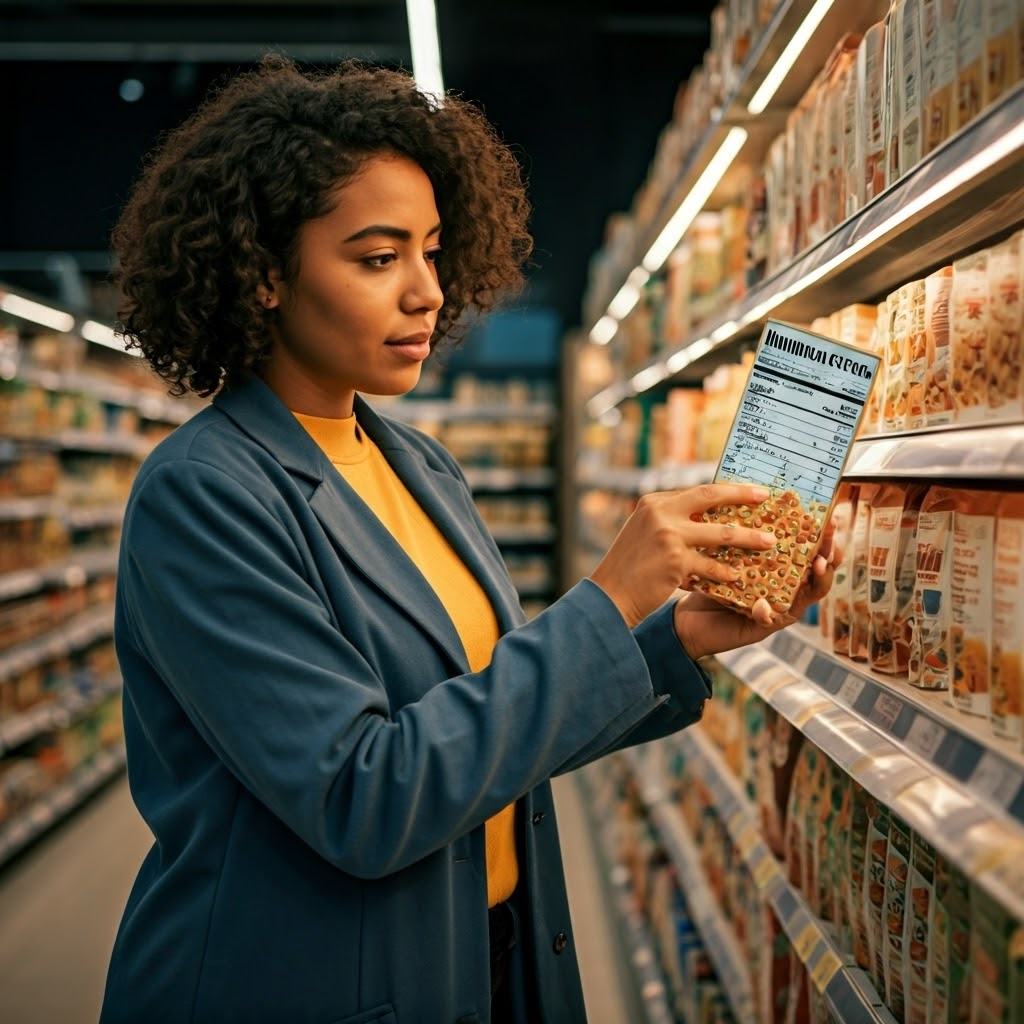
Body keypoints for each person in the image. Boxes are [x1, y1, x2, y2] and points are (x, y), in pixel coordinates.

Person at [99, 56, 837, 1024]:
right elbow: (363, 793)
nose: (425, 292)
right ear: (265, 275)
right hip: (301, 981)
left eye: (432, 251)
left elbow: (490, 726)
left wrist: (673, 638)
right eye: (376, 258)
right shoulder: (202, 494)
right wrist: (606, 601)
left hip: (473, 953)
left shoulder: (418, 466)